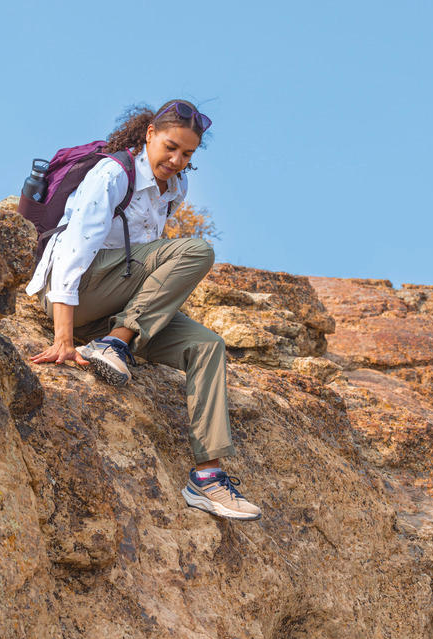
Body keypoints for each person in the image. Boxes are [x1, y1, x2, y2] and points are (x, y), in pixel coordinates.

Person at [26, 99, 261, 521]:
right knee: (195, 250)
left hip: (114, 303)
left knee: (208, 346)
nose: (176, 160)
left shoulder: (176, 188)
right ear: (149, 134)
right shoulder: (114, 174)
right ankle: (116, 343)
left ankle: (207, 478)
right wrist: (63, 338)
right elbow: (72, 255)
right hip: (77, 291)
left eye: (187, 154)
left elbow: (149, 262)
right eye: (170, 147)